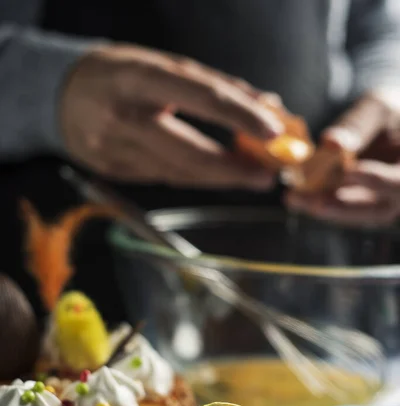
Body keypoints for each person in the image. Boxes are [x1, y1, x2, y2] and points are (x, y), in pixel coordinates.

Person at [0, 1, 400, 321]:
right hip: (58, 290)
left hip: (312, 289)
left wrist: (387, 94)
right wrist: (46, 87)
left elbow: (378, 27)